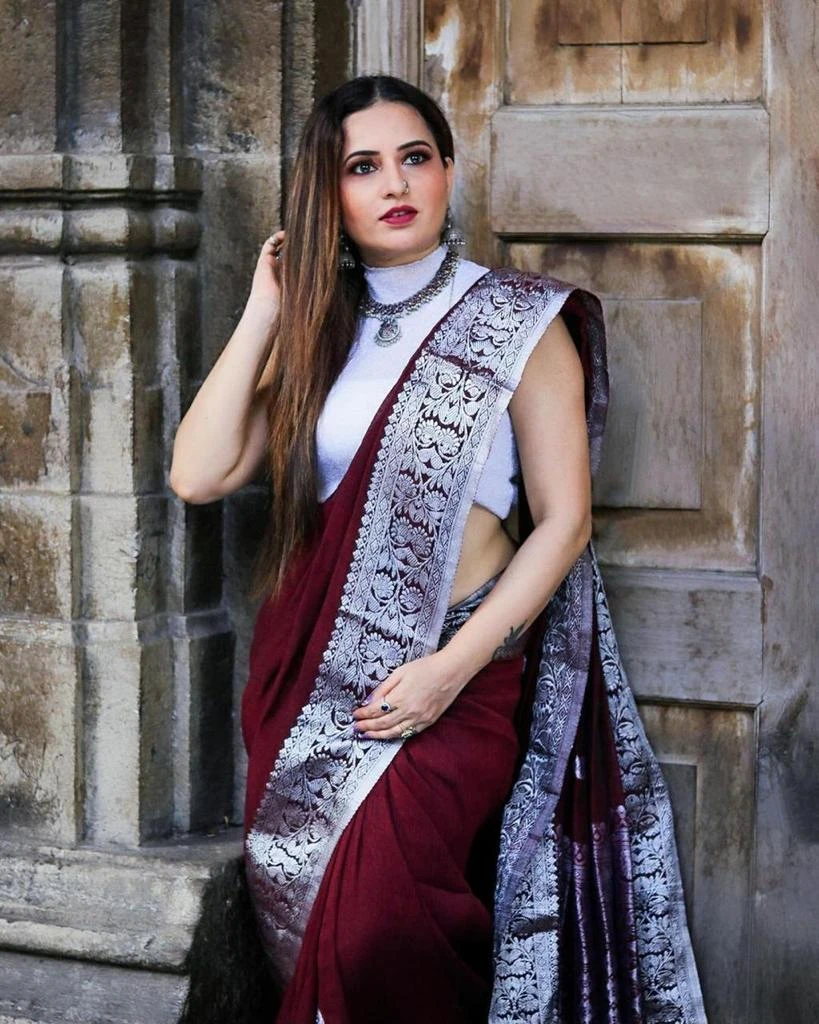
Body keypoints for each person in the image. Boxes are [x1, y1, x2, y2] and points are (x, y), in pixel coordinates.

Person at [170, 74, 708, 1024]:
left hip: (456, 673)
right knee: (322, 928)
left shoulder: (518, 321)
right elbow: (198, 475)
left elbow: (563, 523)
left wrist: (450, 670)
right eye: (361, 167)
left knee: (380, 931)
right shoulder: (318, 332)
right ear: (327, 193)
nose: (394, 184)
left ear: (449, 170)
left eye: (414, 157)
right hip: (315, 677)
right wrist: (267, 308)